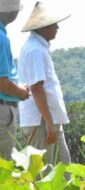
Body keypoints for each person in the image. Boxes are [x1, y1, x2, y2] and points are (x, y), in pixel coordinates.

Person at [18, 1, 71, 168]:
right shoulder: (35, 49)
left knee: (64, 168)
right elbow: (36, 87)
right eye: (54, 24)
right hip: (41, 119)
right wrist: (48, 121)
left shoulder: (39, 47)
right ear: (44, 27)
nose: (58, 28)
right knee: (44, 172)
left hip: (49, 118)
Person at [0, 0, 30, 160]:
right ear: (12, 13)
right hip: (2, 110)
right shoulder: (1, 38)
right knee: (4, 168)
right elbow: (2, 83)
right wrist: (21, 92)